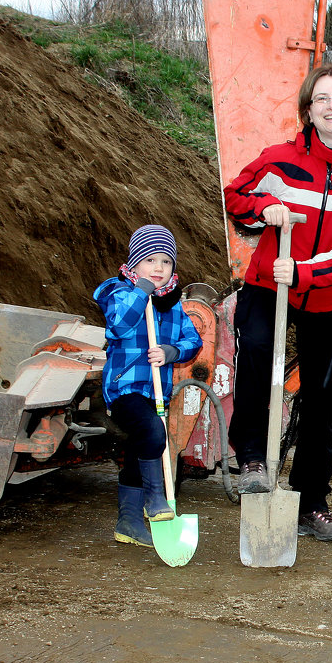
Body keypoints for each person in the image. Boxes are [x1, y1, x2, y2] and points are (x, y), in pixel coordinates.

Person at [223, 62, 332, 542]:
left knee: (323, 396)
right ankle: (252, 458)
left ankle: (311, 500)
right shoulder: (279, 159)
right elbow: (235, 196)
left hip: (330, 294)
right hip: (267, 283)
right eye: (322, 99)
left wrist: (305, 271)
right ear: (308, 110)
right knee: (256, 355)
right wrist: (263, 209)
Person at [94, 224, 202, 548]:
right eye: (151, 260)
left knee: (137, 451)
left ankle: (127, 524)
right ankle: (156, 503)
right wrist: (142, 292)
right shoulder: (118, 292)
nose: (159, 268)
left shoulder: (172, 306)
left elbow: (192, 341)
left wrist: (172, 352)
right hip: (124, 388)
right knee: (153, 433)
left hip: (155, 390)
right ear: (136, 262)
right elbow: (119, 325)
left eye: (166, 262)